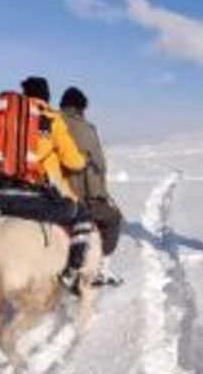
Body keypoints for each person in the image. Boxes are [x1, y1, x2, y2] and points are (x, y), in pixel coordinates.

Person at [0, 76, 94, 292]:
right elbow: (73, 161)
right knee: (82, 215)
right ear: (47, 96)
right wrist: (83, 162)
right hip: (34, 194)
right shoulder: (52, 120)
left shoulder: (10, 121)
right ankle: (72, 273)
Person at [59, 87, 125, 286]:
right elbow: (99, 165)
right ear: (81, 107)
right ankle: (99, 270)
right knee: (113, 219)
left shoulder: (50, 123)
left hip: (49, 193)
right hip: (79, 195)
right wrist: (100, 194)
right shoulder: (84, 128)